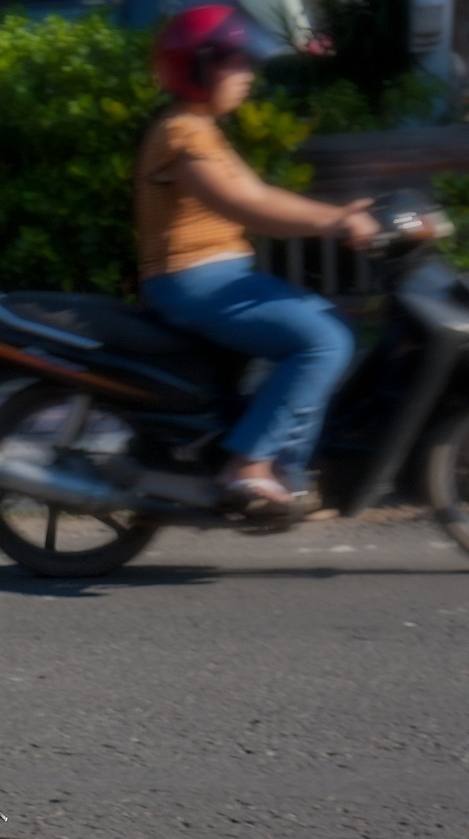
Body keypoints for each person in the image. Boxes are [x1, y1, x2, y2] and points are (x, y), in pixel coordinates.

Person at [137, 5, 378, 513]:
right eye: (237, 64)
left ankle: (284, 472)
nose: (248, 75)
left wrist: (336, 216)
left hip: (217, 275)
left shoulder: (201, 128)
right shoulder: (181, 133)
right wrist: (334, 223)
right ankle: (249, 464)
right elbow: (243, 203)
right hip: (192, 279)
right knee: (322, 340)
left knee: (326, 325)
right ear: (200, 67)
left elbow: (257, 192)